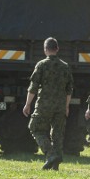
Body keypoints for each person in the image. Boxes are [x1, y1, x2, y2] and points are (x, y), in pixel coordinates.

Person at [22, 37, 73, 171]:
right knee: (57, 134)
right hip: (60, 105)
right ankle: (55, 164)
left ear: (45, 50)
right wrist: (66, 106)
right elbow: (69, 90)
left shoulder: (42, 65)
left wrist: (27, 104)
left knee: (35, 128)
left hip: (44, 104)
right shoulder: (65, 66)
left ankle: (51, 155)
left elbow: (33, 87)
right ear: (57, 49)